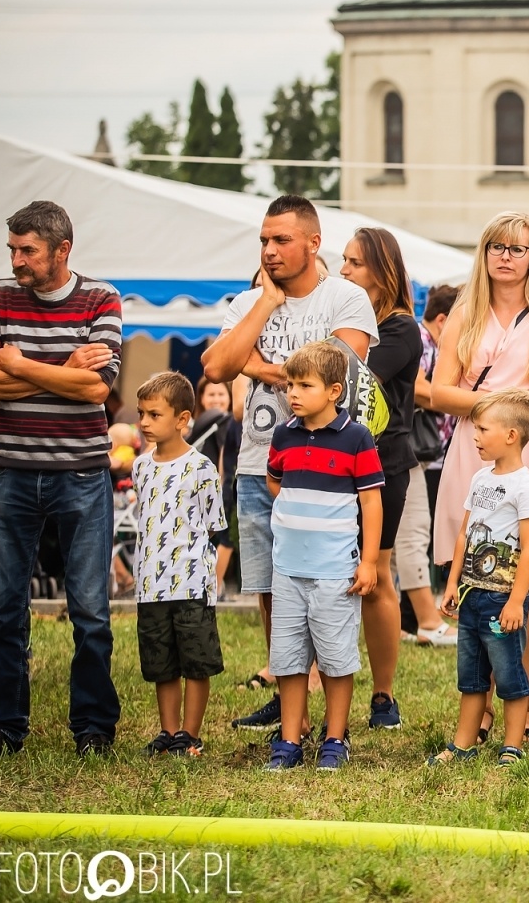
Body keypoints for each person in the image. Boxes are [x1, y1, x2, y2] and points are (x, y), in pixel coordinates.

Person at [202, 195, 377, 733]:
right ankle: (287, 700)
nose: (270, 250)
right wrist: (263, 306)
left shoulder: (346, 298)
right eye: (263, 241)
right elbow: (217, 366)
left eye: (281, 240)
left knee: (325, 591)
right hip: (258, 464)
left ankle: (332, 714)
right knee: (270, 591)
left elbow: (337, 372)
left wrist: (266, 367)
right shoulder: (246, 303)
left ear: (313, 242)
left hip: (326, 471)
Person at [0, 200, 124, 757]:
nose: (17, 260)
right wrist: (63, 371)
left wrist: (18, 366)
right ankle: (3, 725)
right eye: (13, 249)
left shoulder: (101, 298)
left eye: (29, 251)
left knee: (90, 611)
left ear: (62, 250)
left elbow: (98, 391)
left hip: (83, 473)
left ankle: (93, 727)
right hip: (13, 472)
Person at [432, 212, 529, 745]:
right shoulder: (464, 314)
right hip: (474, 453)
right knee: (475, 576)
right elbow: (437, 392)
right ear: (484, 252)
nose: (506, 256)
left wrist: (478, 400)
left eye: (518, 248)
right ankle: (480, 707)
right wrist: (499, 405)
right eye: (497, 245)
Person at [264, 342, 385, 771]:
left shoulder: (357, 438)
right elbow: (275, 481)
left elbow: (371, 502)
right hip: (288, 570)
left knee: (335, 660)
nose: (293, 393)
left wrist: (368, 561)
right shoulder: (283, 434)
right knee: (288, 659)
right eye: (290, 385)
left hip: (336, 572)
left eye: (305, 385)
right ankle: (289, 740)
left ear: (334, 390)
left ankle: (335, 739)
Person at [429, 388, 529, 766]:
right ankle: (463, 743)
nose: (475, 437)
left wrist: (515, 601)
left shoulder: (526, 487)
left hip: (501, 600)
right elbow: (465, 533)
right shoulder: (480, 478)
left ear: (511, 435)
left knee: (510, 674)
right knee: (472, 676)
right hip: (471, 595)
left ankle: (513, 745)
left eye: (482, 430)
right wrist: (452, 584)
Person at [339, 227, 425, 728]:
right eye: (343, 261)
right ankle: (304, 684)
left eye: (354, 263)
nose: (345, 270)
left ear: (382, 271)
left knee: (377, 576)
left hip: (383, 463)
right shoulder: (344, 319)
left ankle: (383, 695)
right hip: (329, 462)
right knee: (320, 578)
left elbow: (346, 373)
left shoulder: (398, 329)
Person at [131, 371, 226, 758]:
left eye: (154, 414)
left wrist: (203, 573)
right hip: (150, 586)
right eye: (141, 414)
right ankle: (168, 731)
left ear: (183, 419)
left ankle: (190, 733)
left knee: (195, 662)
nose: (144, 422)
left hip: (190, 585)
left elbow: (213, 524)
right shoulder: (139, 467)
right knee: (162, 665)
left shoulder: (201, 467)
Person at [400, 283, 461, 644]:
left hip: (418, 453)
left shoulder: (424, 339)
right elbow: (416, 388)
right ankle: (427, 619)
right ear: (443, 320)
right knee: (415, 532)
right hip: (410, 453)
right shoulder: (423, 341)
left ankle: (409, 622)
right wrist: (457, 399)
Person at [189, 377, 242, 596]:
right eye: (211, 394)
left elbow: (223, 454)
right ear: (200, 398)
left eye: (221, 394)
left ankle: (212, 586)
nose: (216, 399)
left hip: (216, 488)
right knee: (223, 540)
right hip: (200, 489)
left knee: (222, 539)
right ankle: (212, 587)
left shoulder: (223, 422)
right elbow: (223, 454)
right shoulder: (201, 424)